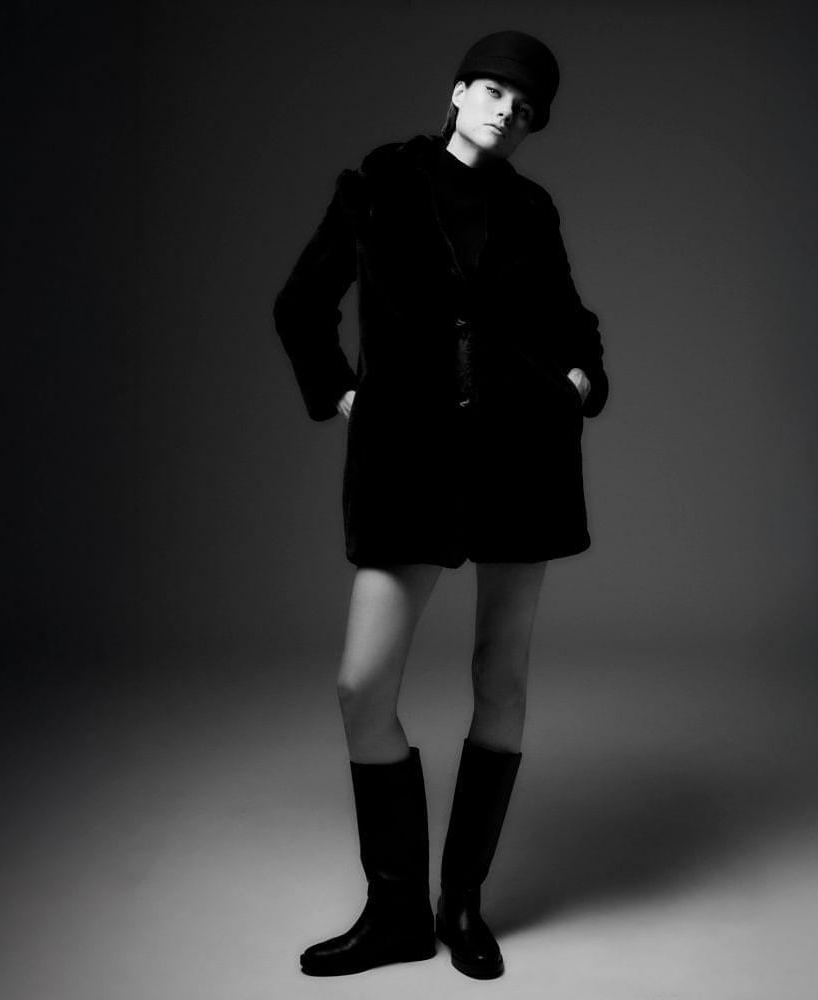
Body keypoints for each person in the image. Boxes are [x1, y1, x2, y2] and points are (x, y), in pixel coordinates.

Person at [273, 30, 609, 980]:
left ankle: (460, 904)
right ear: (458, 92)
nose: (508, 111)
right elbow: (302, 304)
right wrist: (349, 397)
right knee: (362, 688)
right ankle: (396, 915)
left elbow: (573, 323)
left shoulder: (531, 210)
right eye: (495, 90)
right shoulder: (378, 185)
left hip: (522, 458)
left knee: (501, 677)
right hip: (409, 464)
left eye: (526, 107)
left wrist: (578, 384)